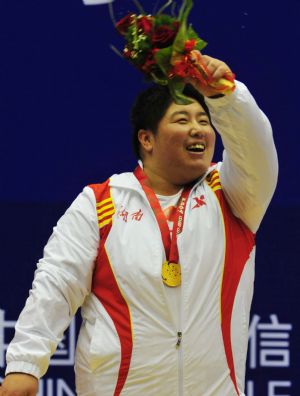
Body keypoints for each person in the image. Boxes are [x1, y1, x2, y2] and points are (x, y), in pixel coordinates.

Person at [0, 54, 278, 396]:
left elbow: (256, 149)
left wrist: (225, 97)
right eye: (181, 119)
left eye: (204, 120)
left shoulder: (233, 195)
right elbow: (56, 283)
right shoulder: (100, 203)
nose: (198, 129)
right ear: (147, 139)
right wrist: (25, 365)